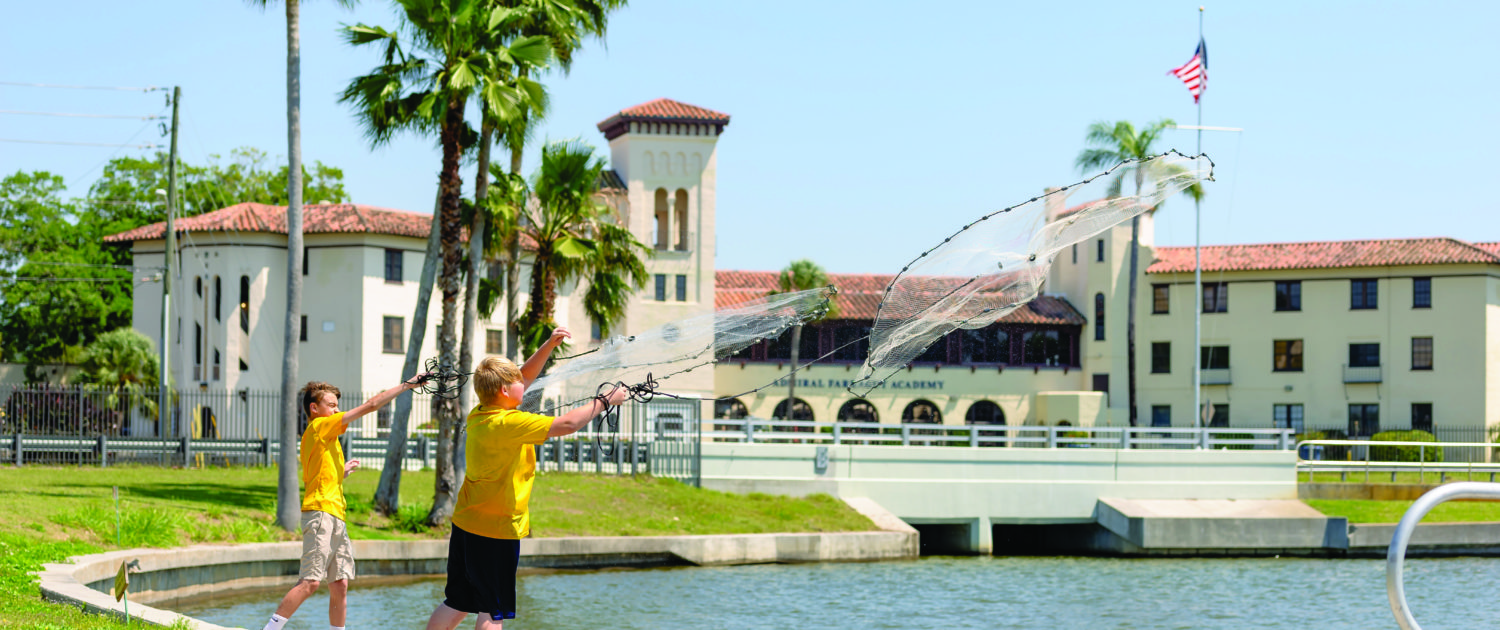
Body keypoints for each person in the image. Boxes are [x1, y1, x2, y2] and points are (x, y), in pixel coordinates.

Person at [425, 327, 628, 630]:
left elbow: (521, 378)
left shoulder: (480, 413)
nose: (524, 382)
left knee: (457, 601)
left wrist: (548, 345)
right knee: (492, 610)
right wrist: (605, 401)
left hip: (467, 523)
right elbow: (568, 424)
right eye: (517, 382)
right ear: (505, 391)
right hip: (496, 529)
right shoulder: (511, 422)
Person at [261, 374, 427, 630]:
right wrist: (407, 385)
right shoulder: (319, 427)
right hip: (321, 515)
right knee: (310, 582)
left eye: (337, 405)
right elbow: (371, 405)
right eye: (332, 405)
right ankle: (270, 629)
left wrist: (342, 472)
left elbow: (320, 477)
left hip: (336, 515)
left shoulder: (326, 440)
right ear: (314, 409)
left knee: (340, 583)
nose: (337, 410)